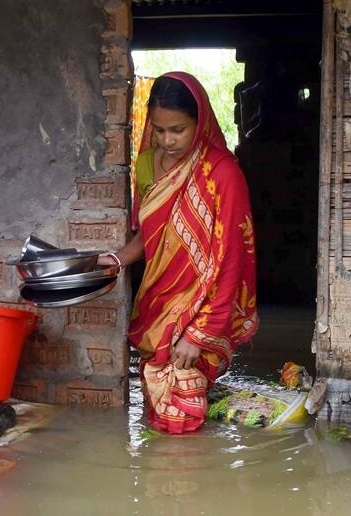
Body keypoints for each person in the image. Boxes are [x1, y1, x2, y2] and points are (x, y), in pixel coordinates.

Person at [99, 72, 258, 434]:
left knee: (182, 421)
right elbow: (150, 234)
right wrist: (118, 259)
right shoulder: (145, 165)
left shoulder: (223, 173)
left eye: (178, 130)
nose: (167, 140)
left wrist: (198, 334)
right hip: (156, 310)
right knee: (158, 419)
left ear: (199, 122)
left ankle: (182, 485)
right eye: (159, 130)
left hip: (200, 317)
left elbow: (233, 257)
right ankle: (156, 488)